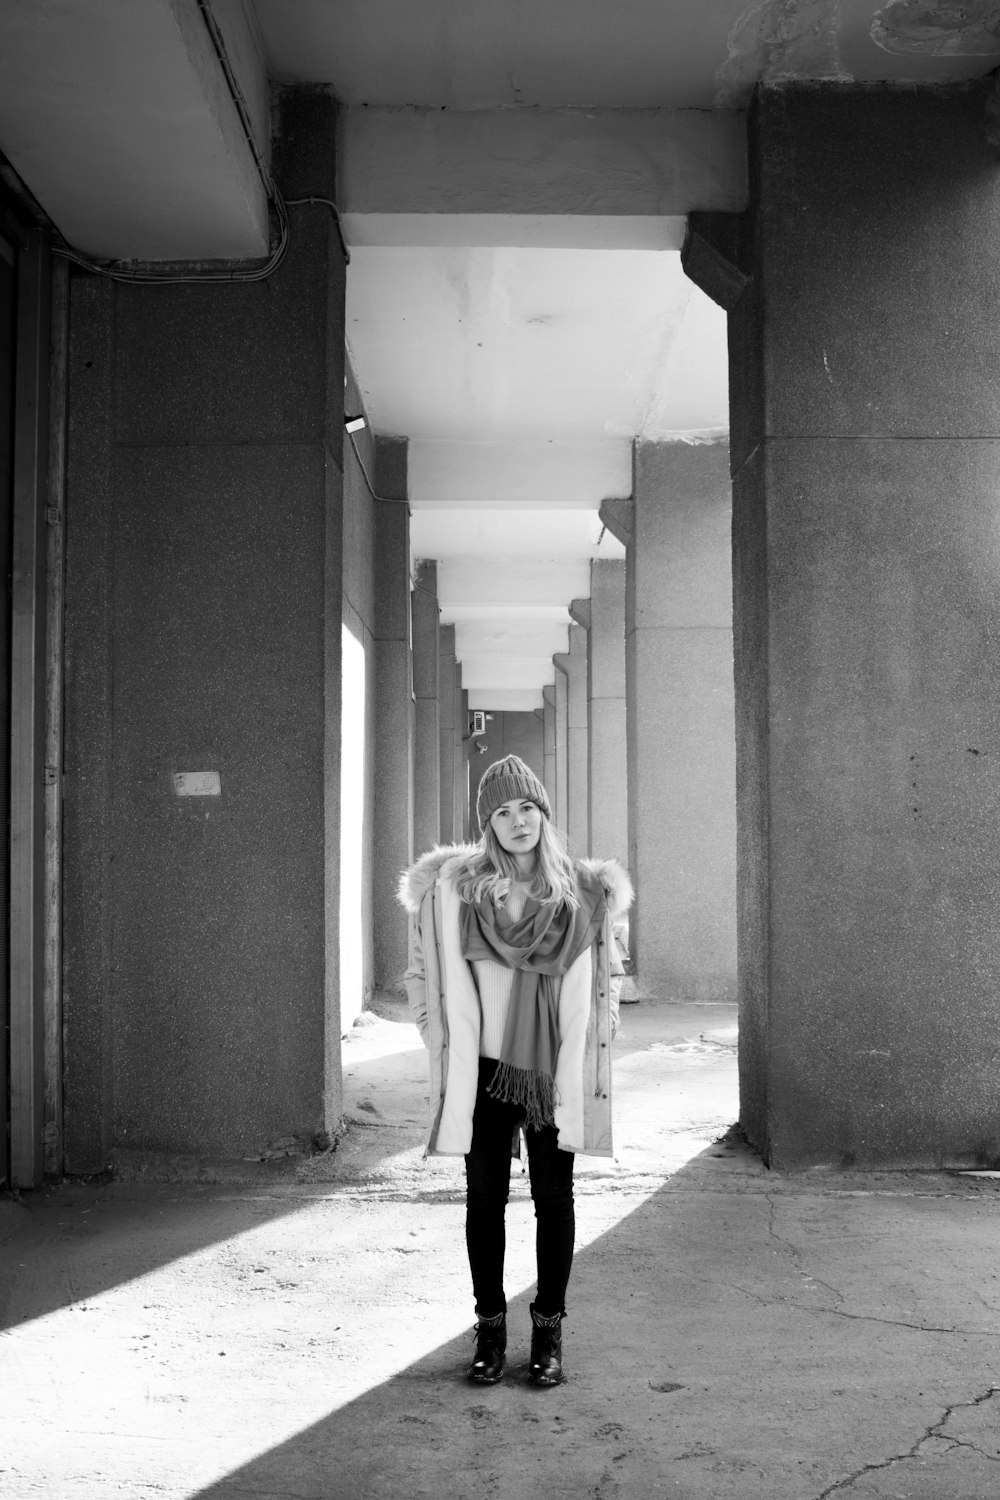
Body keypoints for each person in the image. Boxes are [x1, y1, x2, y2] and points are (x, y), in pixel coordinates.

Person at [398, 754, 632, 1387]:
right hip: (483, 1068)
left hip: (553, 1069)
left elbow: (609, 975)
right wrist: (433, 1033)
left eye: (526, 806)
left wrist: (597, 1038)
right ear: (487, 824)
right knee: (485, 1200)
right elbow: (422, 972)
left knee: (554, 1200)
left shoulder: (583, 891)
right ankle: (491, 1327)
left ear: (544, 813)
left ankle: (549, 1331)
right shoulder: (459, 891)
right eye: (501, 811)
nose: (517, 820)